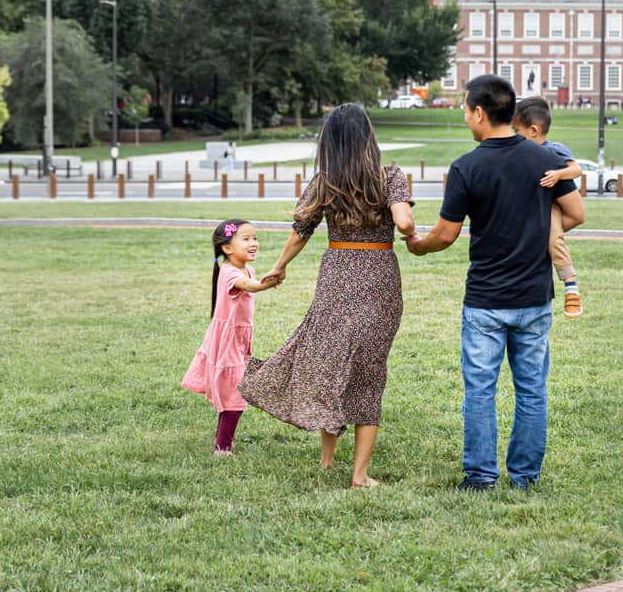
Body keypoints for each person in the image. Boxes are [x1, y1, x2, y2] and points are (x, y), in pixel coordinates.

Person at [407, 75, 584, 492]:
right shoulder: (544, 159)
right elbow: (575, 214)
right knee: (532, 391)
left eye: (467, 110)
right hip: (535, 295)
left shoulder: (467, 167)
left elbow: (446, 235)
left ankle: (481, 476)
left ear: (480, 113)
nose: (467, 117)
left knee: (481, 392)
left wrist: (417, 246)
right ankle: (524, 477)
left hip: (486, 299)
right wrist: (543, 229)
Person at [240, 103, 417, 489]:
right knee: (370, 372)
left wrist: (280, 265)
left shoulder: (325, 181)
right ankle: (359, 476)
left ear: (330, 142)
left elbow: (300, 230)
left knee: (333, 361)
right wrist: (410, 229)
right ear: (369, 137)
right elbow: (404, 222)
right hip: (378, 277)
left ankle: (326, 461)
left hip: (336, 274)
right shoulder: (391, 177)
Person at [181, 219, 281, 455]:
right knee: (235, 393)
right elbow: (248, 286)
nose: (254, 242)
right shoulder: (228, 272)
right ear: (227, 248)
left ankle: (222, 441)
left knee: (231, 391)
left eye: (255, 237)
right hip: (227, 340)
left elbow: (250, 281)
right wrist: (264, 284)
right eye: (246, 239)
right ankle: (222, 447)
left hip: (239, 339)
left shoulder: (248, 268)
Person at [511, 97, 584, 318]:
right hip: (525, 209)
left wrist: (558, 174)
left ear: (533, 130)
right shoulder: (519, 153)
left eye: (517, 130)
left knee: (554, 238)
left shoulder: (554, 150)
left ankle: (571, 286)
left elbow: (577, 169)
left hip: (549, 206)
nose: (514, 135)